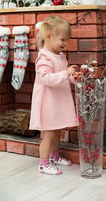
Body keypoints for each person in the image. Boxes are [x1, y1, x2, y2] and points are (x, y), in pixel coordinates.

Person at [29, 15, 80, 175]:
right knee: (48, 133)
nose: (65, 43)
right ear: (49, 36)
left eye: (66, 40)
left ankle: (54, 156)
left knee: (57, 129)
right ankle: (43, 164)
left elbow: (63, 76)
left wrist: (73, 78)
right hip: (47, 102)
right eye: (62, 39)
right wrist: (66, 73)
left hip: (57, 100)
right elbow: (46, 78)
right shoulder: (43, 57)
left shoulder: (60, 56)